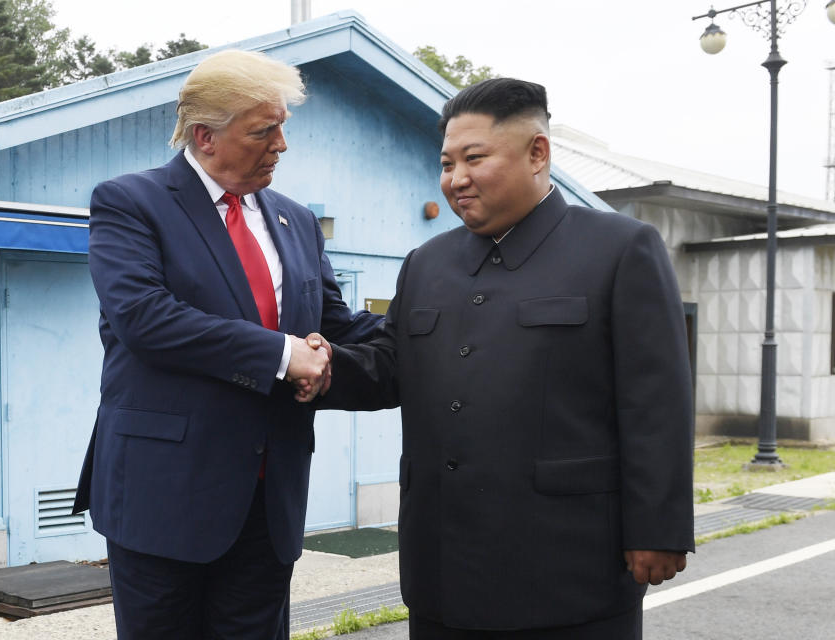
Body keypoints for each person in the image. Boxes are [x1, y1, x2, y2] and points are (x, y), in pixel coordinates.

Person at [307, 78, 695, 639]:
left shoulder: (619, 249)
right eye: (446, 163)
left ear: (537, 153)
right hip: (442, 567)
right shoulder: (426, 263)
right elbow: (393, 365)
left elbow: (657, 402)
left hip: (568, 567)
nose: (455, 179)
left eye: (474, 158)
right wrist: (319, 367)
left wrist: (658, 528)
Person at [72, 49, 382, 640]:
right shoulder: (130, 203)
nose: (282, 145)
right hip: (164, 496)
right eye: (264, 130)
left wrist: (434, 326)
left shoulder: (296, 220)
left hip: (270, 500)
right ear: (204, 136)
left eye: (284, 127)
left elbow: (334, 326)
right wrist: (282, 355)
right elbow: (145, 318)